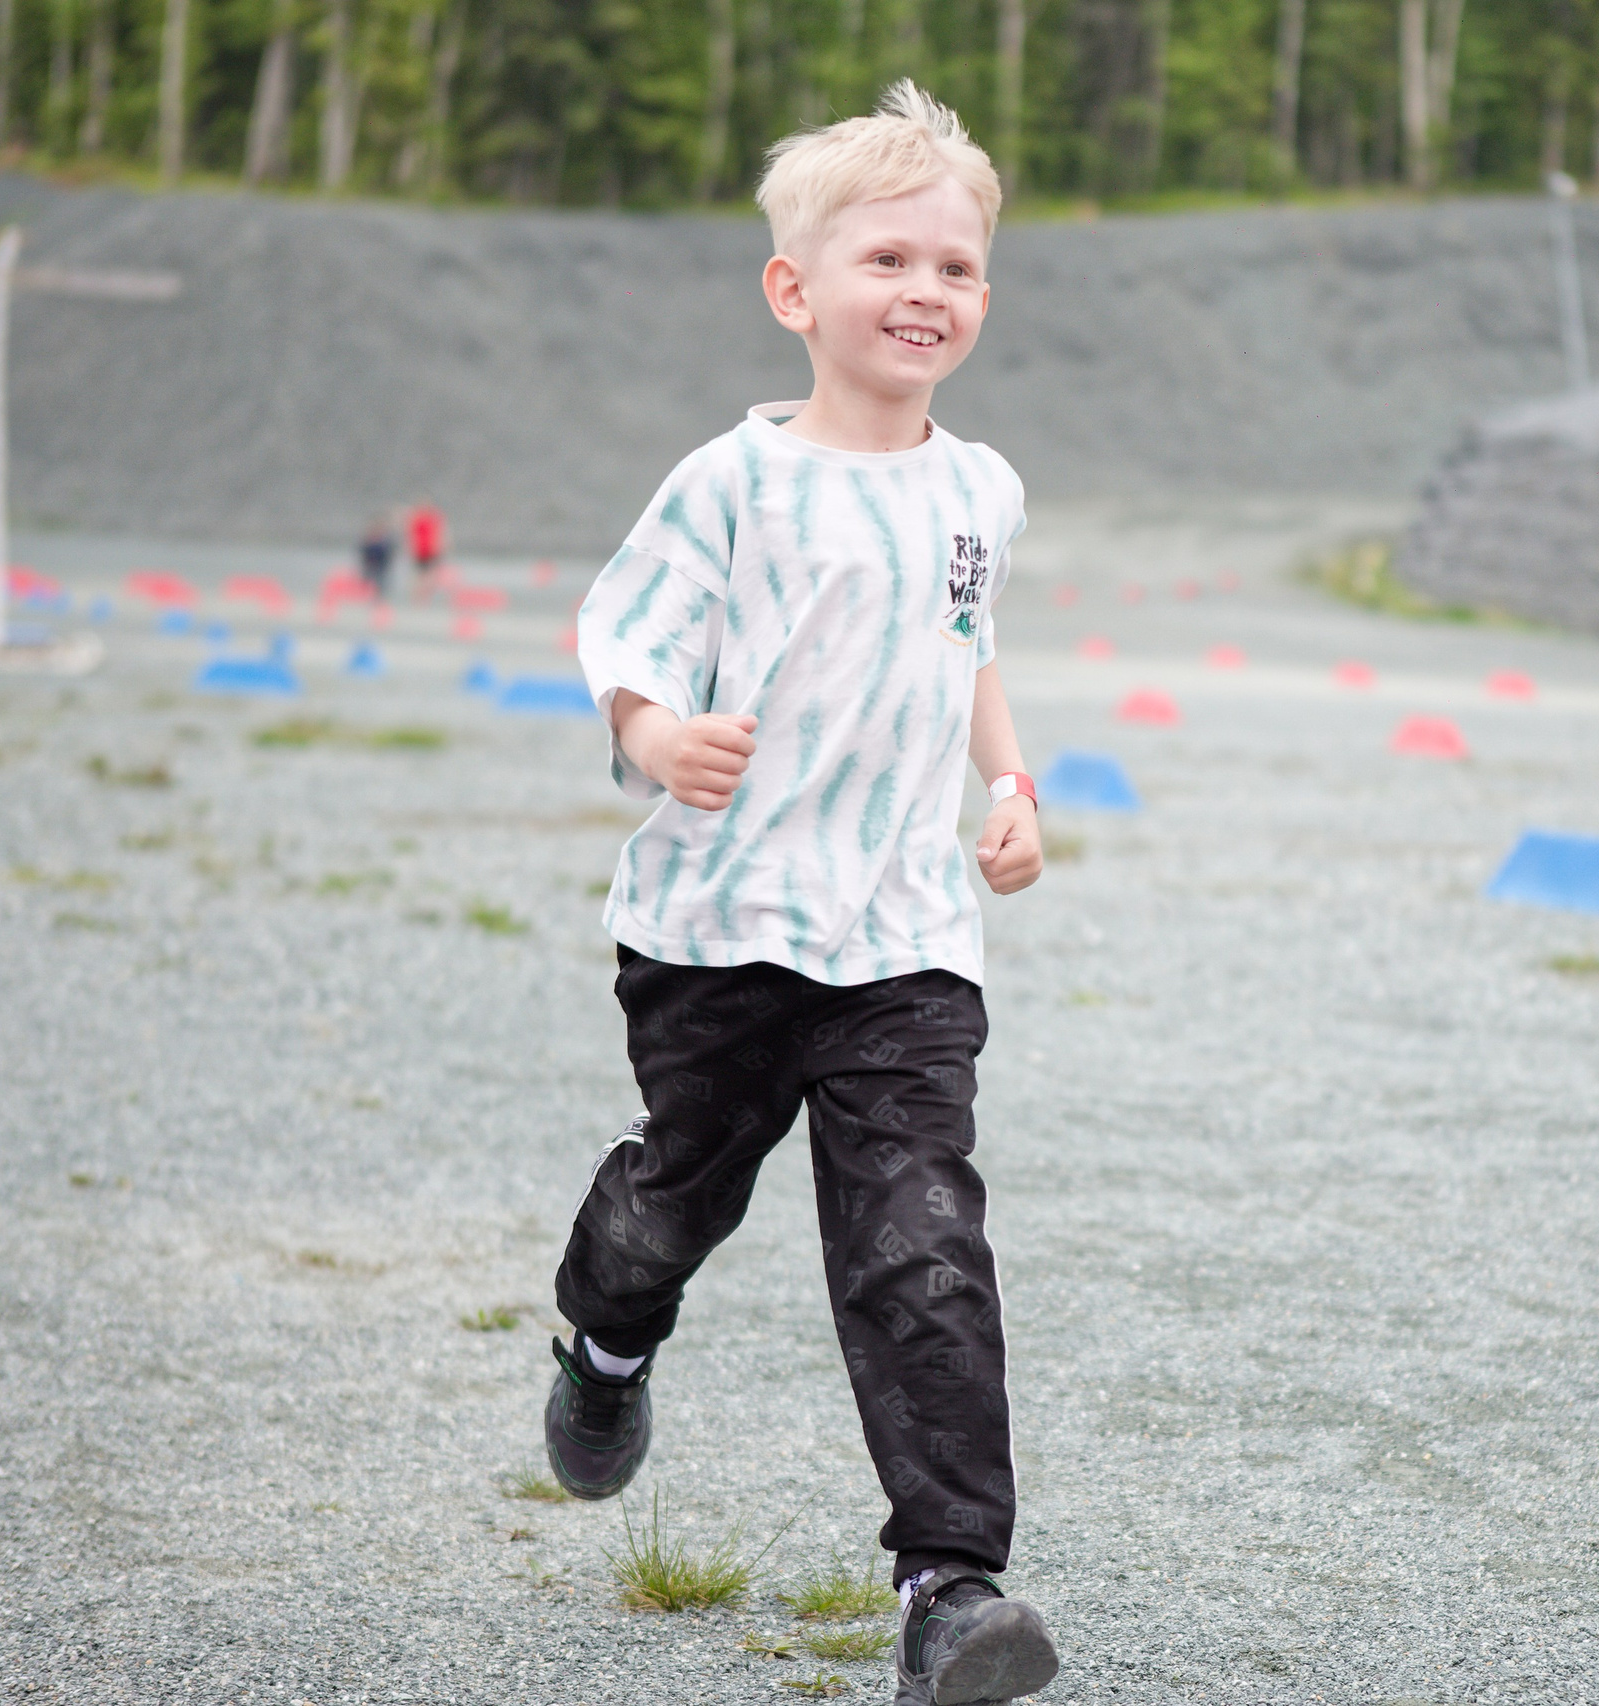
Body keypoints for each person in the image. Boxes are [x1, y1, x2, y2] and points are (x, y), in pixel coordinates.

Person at [544, 81, 1057, 1706]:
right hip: (716, 933)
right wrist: (655, 735)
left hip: (904, 942)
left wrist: (1010, 786)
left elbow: (970, 648)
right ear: (795, 290)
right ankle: (606, 1340)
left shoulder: (980, 489)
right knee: (675, 1199)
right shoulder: (731, 484)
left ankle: (952, 1588)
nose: (925, 291)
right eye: (888, 259)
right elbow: (626, 635)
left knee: (922, 1241)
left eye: (955, 267)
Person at [407, 499, 445, 595]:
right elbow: (411, 535)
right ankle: (419, 593)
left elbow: (439, 533)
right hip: (420, 551)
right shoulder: (417, 518)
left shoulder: (433, 518)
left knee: (430, 573)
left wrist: (439, 547)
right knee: (421, 574)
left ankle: (425, 593)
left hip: (431, 550)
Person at [357, 515, 394, 601]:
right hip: (370, 564)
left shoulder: (385, 541)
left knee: (380, 582)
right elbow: (364, 552)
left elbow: (388, 553)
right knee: (368, 581)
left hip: (381, 565)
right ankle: (367, 596)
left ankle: (378, 597)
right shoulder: (368, 540)